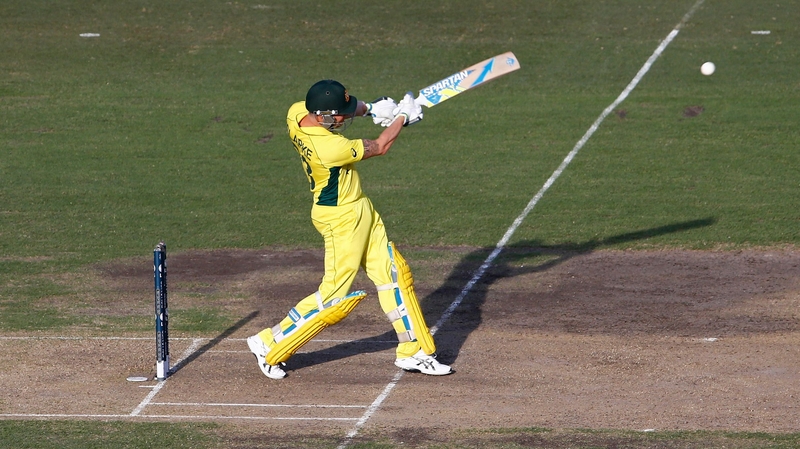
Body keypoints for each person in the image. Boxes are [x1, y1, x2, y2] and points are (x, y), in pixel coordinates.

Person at [246, 79, 452, 379]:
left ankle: (414, 350)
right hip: (340, 219)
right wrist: (402, 117)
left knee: (394, 273)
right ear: (325, 116)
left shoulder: (297, 112)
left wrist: (371, 108)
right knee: (334, 297)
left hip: (358, 207)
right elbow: (380, 146)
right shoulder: (331, 147)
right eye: (339, 114)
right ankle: (269, 342)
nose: (344, 117)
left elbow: (347, 107)